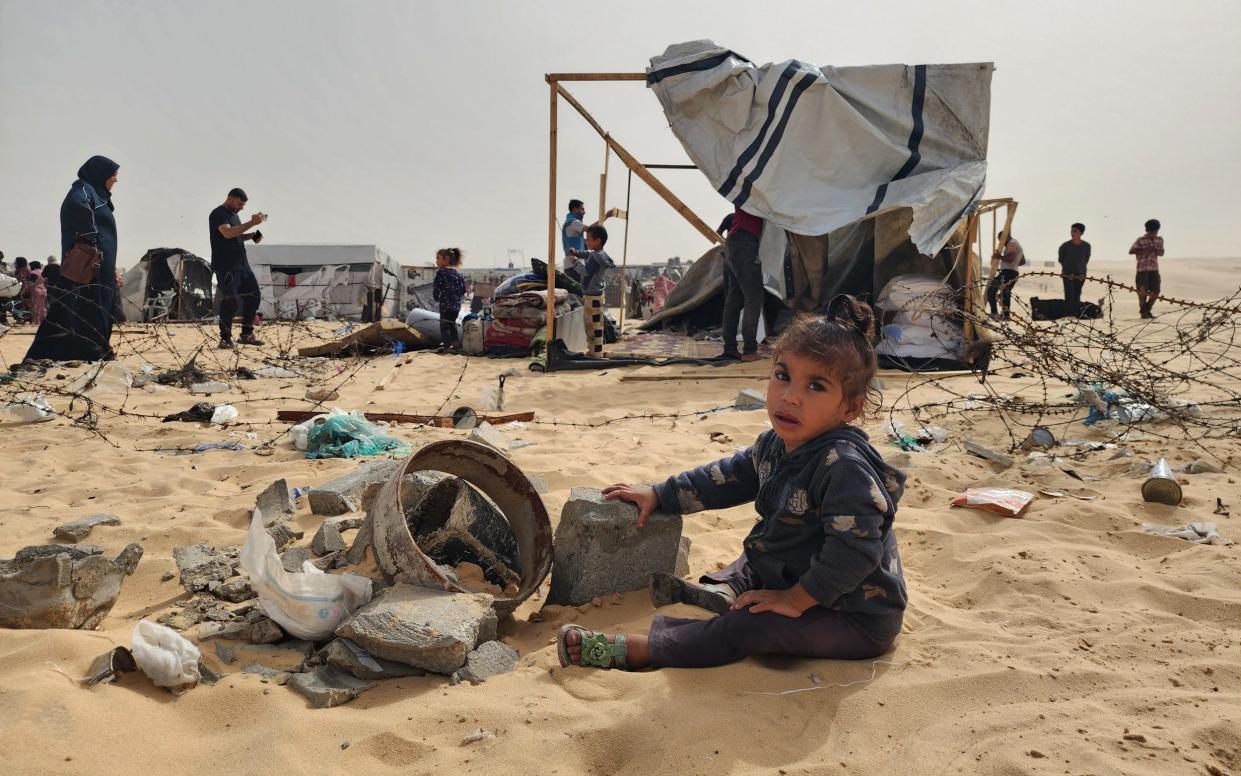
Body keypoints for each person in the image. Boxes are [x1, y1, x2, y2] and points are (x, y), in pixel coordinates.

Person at [556, 295, 906, 670]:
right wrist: (661, 494)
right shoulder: (775, 445)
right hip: (795, 567)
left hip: (852, 615)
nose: (790, 397)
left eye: (815, 387)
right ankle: (725, 590)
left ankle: (644, 649)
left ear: (849, 408)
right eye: (783, 376)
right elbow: (725, 478)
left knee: (748, 628)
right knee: (755, 556)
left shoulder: (844, 468)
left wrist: (795, 600)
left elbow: (854, 553)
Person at [24, 156, 121, 362]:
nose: (115, 180)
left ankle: (95, 351)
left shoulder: (97, 194)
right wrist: (91, 239)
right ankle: (89, 352)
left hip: (100, 266)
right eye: (113, 175)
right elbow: (78, 207)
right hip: (88, 265)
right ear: (100, 174)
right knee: (83, 307)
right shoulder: (83, 191)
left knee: (97, 308)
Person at [209, 187, 267, 348]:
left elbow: (235, 236)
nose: (242, 207)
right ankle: (225, 338)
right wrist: (251, 222)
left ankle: (246, 334)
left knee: (253, 296)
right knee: (231, 302)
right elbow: (227, 233)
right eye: (240, 204)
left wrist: (251, 235)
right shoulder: (218, 214)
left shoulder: (235, 216)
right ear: (230, 198)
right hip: (226, 266)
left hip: (242, 265)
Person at [718, 207, 765, 361]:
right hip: (745, 242)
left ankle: (730, 348)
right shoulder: (756, 190)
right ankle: (750, 350)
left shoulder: (743, 190)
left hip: (732, 244)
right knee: (754, 296)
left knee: (734, 299)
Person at [568, 224, 615, 355]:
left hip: (592, 297)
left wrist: (574, 261)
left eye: (588, 239)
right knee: (596, 323)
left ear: (597, 241)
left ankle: (596, 353)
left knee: (592, 326)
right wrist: (577, 253)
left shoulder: (595, 257)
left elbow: (585, 272)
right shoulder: (600, 254)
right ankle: (595, 350)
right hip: (597, 296)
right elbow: (588, 254)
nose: (586, 241)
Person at [432, 247, 466, 351]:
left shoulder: (441, 273)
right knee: (452, 324)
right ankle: (455, 344)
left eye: (438, 258)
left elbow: (436, 287)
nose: (436, 261)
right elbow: (463, 290)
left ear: (445, 259)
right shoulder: (458, 274)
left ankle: (446, 347)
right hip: (456, 306)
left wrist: (436, 297)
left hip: (445, 305)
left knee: (444, 325)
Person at [1129, 219, 1164, 319]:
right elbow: (1131, 251)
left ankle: (1146, 309)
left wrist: (1155, 250)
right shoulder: (1141, 240)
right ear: (1147, 230)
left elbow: (1161, 253)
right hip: (1142, 270)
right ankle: (1144, 313)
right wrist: (1144, 250)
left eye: (1155, 232)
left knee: (1156, 291)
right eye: (1151, 232)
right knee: (1142, 292)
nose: (1153, 234)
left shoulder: (1159, 240)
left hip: (1154, 269)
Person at [986, 231, 1025, 320]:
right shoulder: (1016, 243)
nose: (1001, 243)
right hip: (1014, 272)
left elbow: (1011, 258)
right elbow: (1022, 261)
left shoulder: (1011, 243)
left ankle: (994, 313)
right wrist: (1012, 265)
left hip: (1007, 272)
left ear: (1005, 237)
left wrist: (999, 257)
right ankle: (1005, 315)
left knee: (992, 289)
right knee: (1005, 293)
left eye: (1001, 240)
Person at [1057, 222, 1091, 314]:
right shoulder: (1065, 246)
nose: (1072, 233)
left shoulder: (1086, 246)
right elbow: (1061, 259)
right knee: (1069, 294)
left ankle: (1075, 314)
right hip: (1068, 275)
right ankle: (1069, 314)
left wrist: (1081, 273)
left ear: (1081, 233)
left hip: (1081, 275)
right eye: (1072, 230)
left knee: (1077, 294)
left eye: (1075, 231)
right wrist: (1068, 272)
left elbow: (1085, 259)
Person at [561, 199, 588, 281]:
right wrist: (605, 218)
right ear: (575, 209)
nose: (584, 212)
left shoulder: (573, 223)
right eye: (582, 209)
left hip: (573, 265)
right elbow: (591, 229)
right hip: (574, 266)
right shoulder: (573, 222)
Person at [25, 261, 47, 326]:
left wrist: (26, 290)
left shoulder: (33, 273)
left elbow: (30, 283)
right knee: (43, 307)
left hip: (36, 291)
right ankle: (43, 321)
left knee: (35, 307)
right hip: (44, 290)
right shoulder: (43, 271)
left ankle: (36, 321)